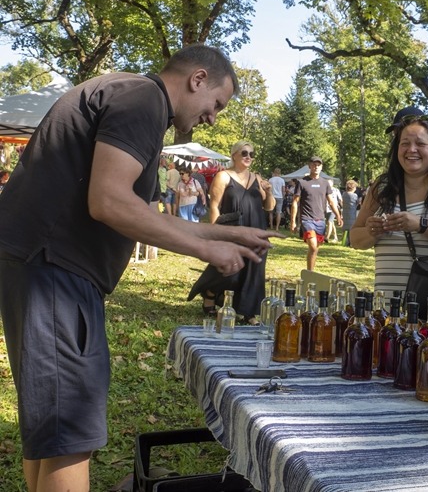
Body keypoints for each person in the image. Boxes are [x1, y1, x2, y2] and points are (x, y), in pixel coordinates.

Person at [0, 44, 280, 491]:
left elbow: (142, 212)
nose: (213, 116)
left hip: (46, 267)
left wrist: (226, 235)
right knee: (69, 431)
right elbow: (108, 200)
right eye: (217, 104)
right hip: (55, 271)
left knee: (54, 433)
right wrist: (205, 253)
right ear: (198, 79)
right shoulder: (144, 99)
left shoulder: (129, 93)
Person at [350, 112, 428, 297]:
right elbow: (355, 239)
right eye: (405, 143)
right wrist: (372, 231)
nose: (412, 149)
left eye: (420, 143)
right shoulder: (382, 186)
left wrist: (420, 224)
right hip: (386, 304)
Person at [196, 140, 276, 321]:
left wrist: (269, 192)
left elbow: (269, 207)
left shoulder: (257, 178)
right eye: (245, 153)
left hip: (257, 229)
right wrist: (216, 232)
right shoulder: (223, 176)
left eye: (252, 154)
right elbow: (215, 206)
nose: (249, 157)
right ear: (234, 155)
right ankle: (210, 293)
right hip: (232, 228)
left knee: (255, 270)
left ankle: (248, 312)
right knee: (230, 270)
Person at [290, 156, 343, 270]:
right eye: (314, 164)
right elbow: (295, 202)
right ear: (309, 166)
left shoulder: (325, 183)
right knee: (313, 247)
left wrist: (338, 216)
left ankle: (310, 272)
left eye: (318, 165)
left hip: (320, 220)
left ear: (321, 167)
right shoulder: (302, 182)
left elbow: (331, 201)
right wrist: (293, 221)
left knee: (315, 249)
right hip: (307, 219)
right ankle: (310, 273)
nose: (316, 167)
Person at [341, 180, 359, 246]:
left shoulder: (344, 194)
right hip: (352, 213)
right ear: (353, 188)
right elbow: (357, 203)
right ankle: (351, 242)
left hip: (345, 212)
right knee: (351, 228)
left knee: (345, 228)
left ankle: (344, 241)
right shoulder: (354, 195)